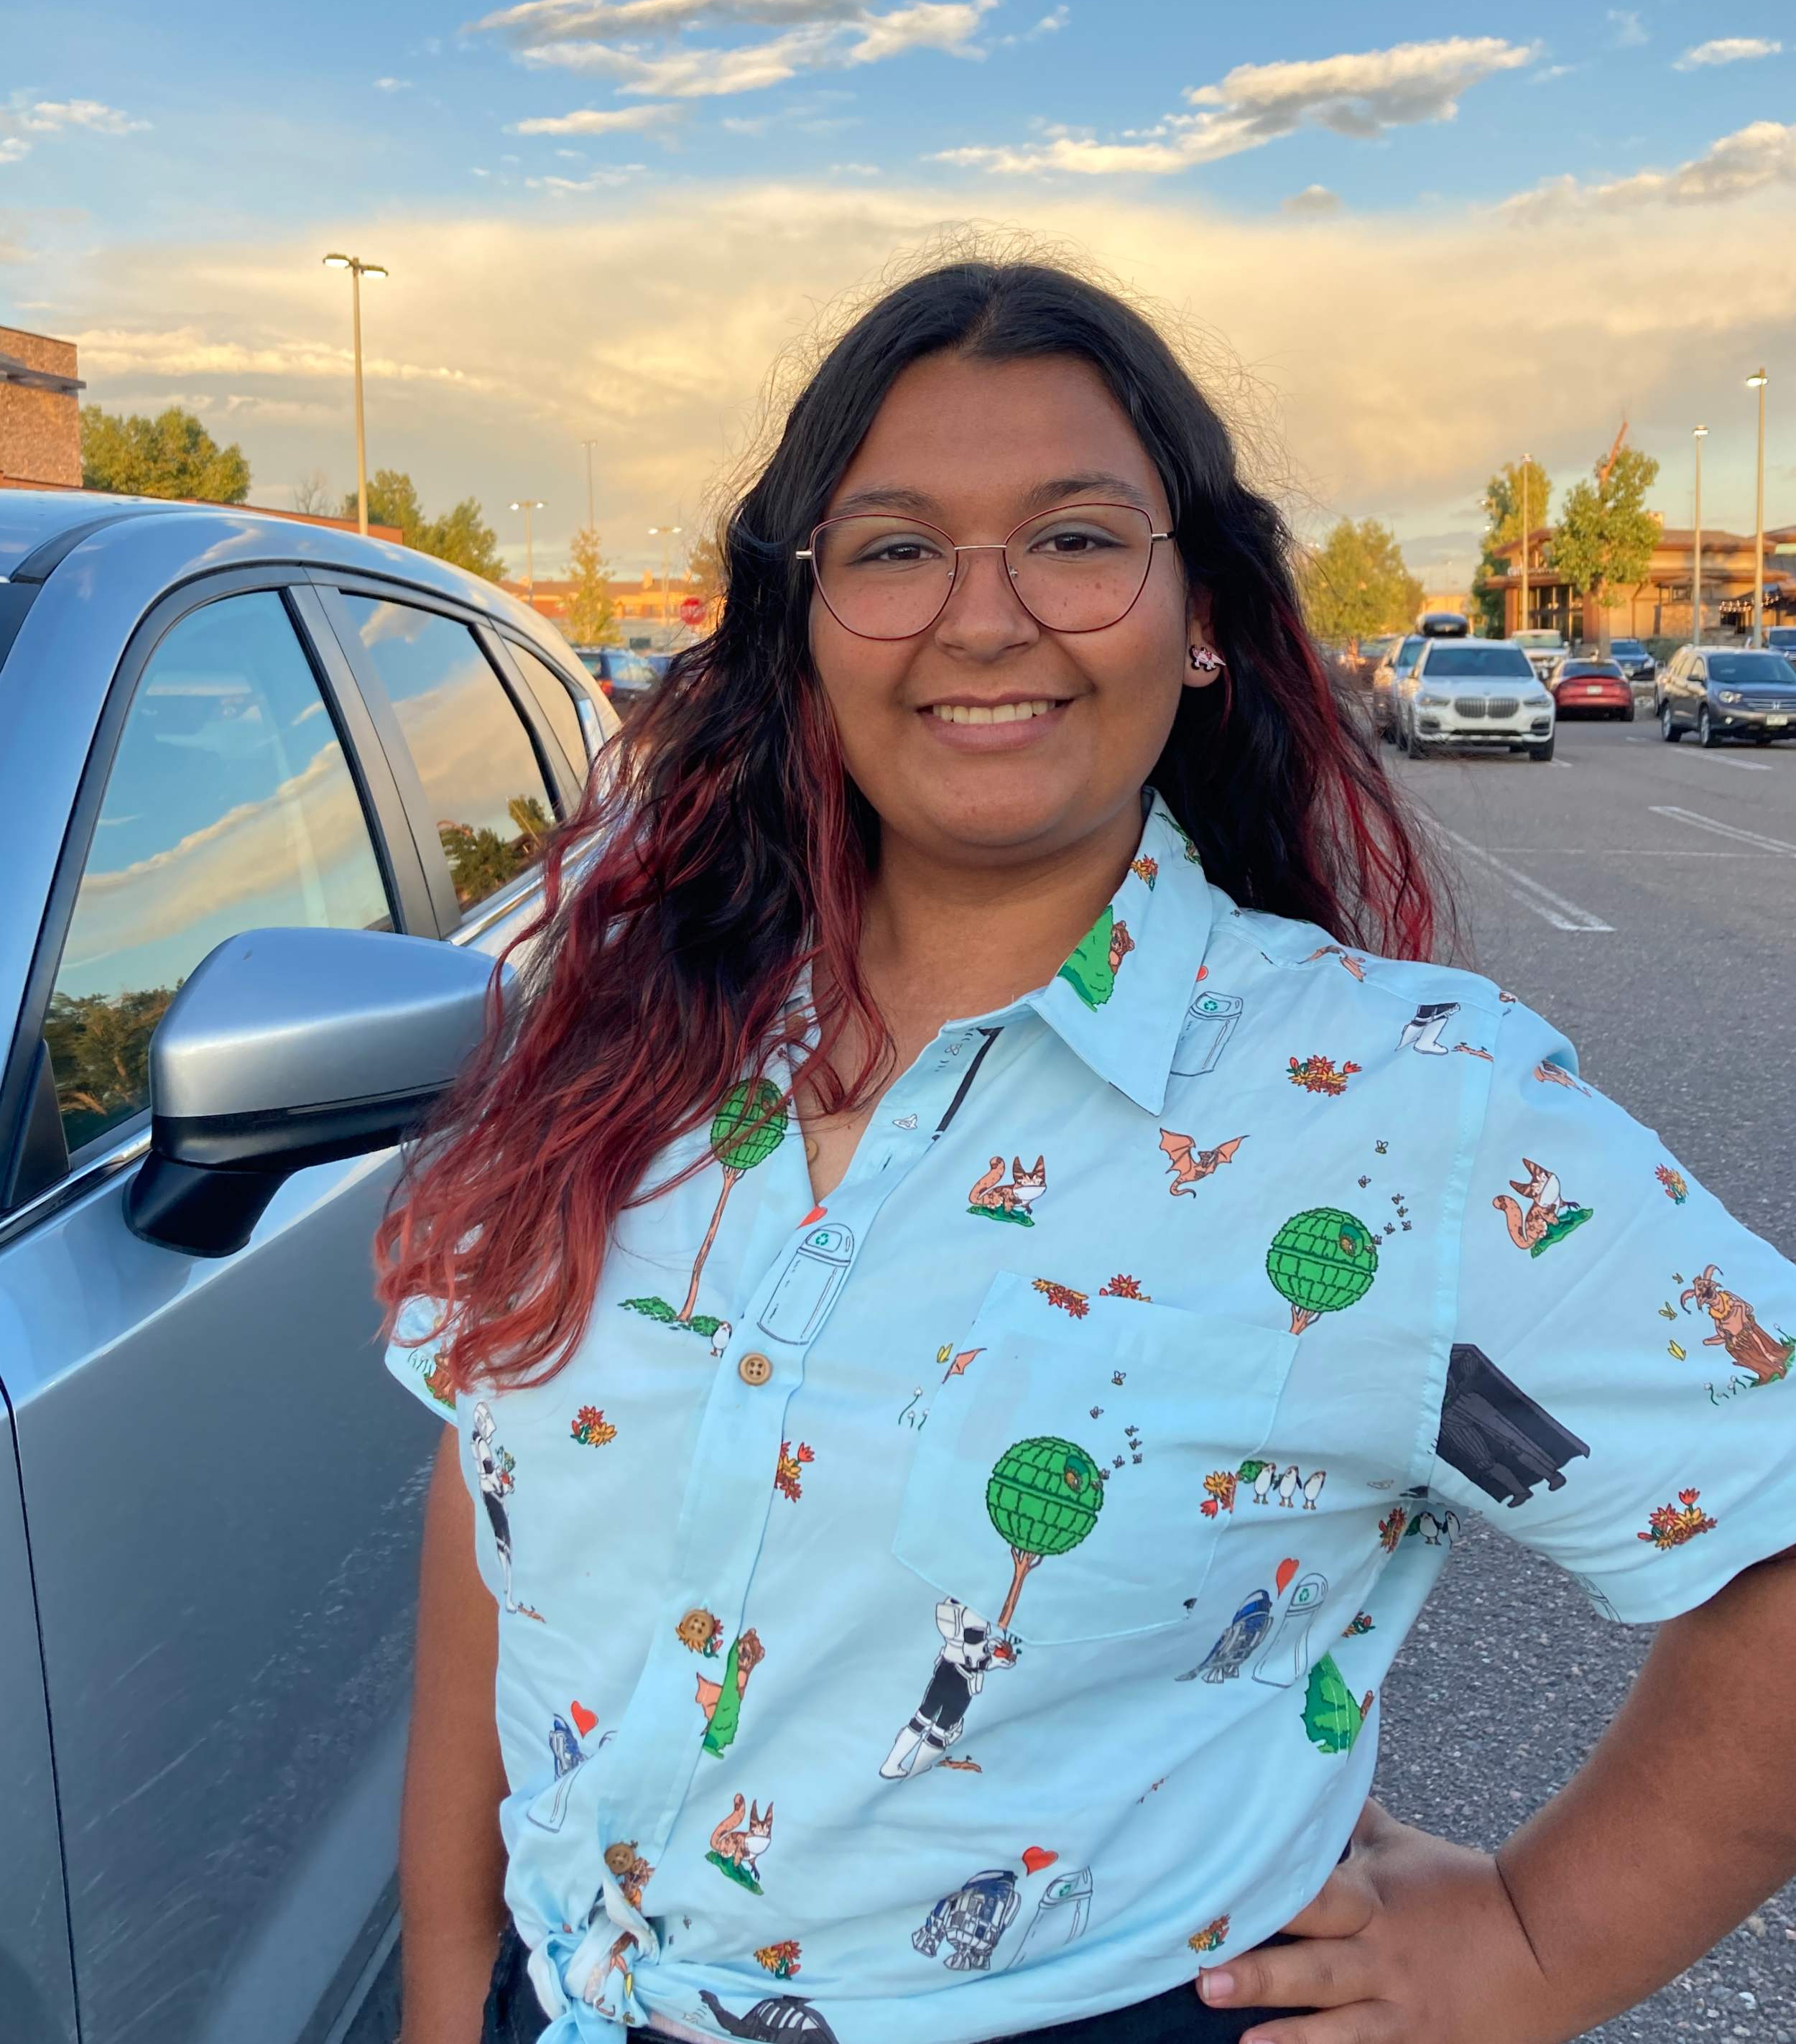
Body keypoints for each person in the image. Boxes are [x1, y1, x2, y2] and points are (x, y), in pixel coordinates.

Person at [379, 255, 1796, 2044]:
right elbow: (487, 1500)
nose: (982, 618)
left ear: (1195, 611)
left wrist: (1528, 1941)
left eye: (1072, 537)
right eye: (893, 549)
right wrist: (450, 1993)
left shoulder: (1399, 1110)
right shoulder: (632, 1027)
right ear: (801, 624)